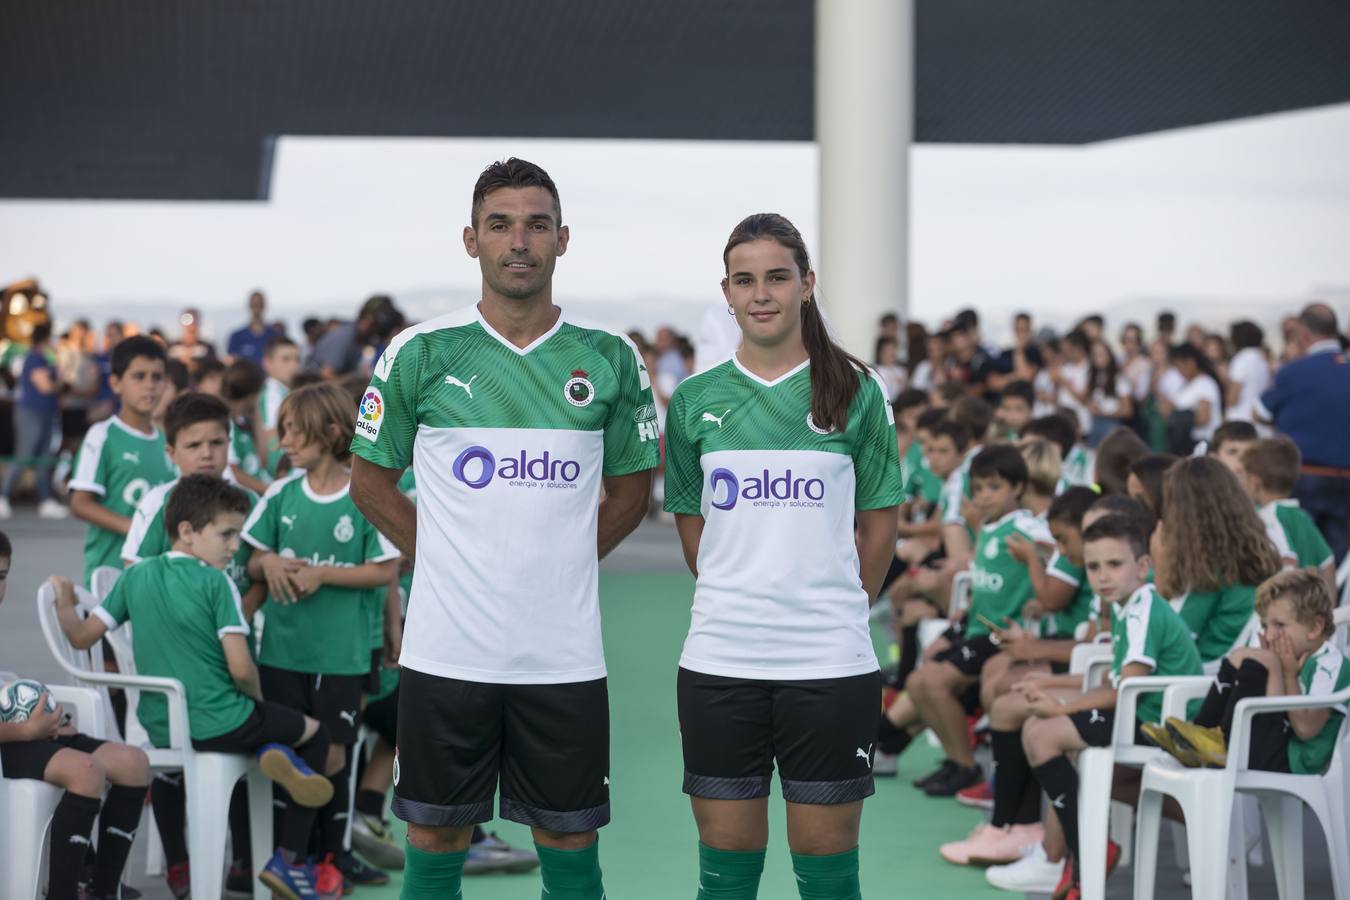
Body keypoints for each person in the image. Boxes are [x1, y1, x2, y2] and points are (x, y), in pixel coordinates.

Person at [347, 158, 657, 900]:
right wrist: (449, 563)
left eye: (536, 225)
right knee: (435, 834)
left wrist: (558, 567)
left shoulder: (608, 356)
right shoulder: (421, 351)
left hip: (563, 653)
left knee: (570, 836)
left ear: (562, 239)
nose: (519, 240)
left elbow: (631, 492)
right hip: (447, 647)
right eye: (501, 224)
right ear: (471, 239)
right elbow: (369, 481)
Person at [659, 212, 901, 900]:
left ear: (806, 285)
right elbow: (692, 530)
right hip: (719, 663)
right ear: (727, 293)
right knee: (726, 875)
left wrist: (836, 608)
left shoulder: (858, 390)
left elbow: (879, 531)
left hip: (829, 663)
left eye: (776, 276)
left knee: (827, 875)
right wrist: (744, 591)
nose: (760, 293)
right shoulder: (696, 402)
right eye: (745, 280)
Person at [54, 476, 339, 900]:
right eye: (226, 534)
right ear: (186, 531)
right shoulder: (216, 582)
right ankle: (290, 860)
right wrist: (258, 702)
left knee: (271, 730)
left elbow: (80, 638)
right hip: (221, 722)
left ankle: (269, 749)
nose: (234, 546)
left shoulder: (135, 578)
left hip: (164, 726)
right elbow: (241, 668)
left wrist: (62, 600)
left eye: (238, 536)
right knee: (318, 735)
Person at [243, 383, 400, 889]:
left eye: (294, 431)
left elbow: (384, 570)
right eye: (282, 429)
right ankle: (303, 858)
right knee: (295, 755)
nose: (283, 441)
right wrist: (266, 562)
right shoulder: (279, 494)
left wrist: (324, 575)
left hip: (344, 655)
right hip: (283, 652)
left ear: (331, 432)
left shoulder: (366, 495)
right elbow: (250, 560)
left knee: (335, 754)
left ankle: (327, 855)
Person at [1019, 515, 1202, 899]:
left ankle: (1087, 855)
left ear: (1142, 566)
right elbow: (1116, 681)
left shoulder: (1142, 610)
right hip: (1142, 711)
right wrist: (1054, 691)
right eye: (1093, 567)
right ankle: (1092, 850)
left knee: (1044, 736)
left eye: (1114, 565)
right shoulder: (1125, 605)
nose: (1102, 576)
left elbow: (1126, 688)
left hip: (1163, 722)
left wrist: (1060, 709)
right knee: (1042, 733)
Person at [879, 446, 1051, 797]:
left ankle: (965, 766)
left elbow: (1058, 556)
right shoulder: (990, 526)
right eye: (979, 488)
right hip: (975, 627)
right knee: (922, 679)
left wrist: (1039, 587)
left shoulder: (1026, 526)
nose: (984, 496)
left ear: (1017, 488)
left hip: (1003, 634)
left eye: (994, 487)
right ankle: (950, 760)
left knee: (930, 681)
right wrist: (962, 614)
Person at [0, 530, 152, 900]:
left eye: (2, 576)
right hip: (8, 743)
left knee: (133, 762)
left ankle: (101, 888)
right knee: (86, 772)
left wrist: (45, 715)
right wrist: (26, 731)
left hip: (17, 732)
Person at [1148, 568, 1349, 773]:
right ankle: (1200, 734)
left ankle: (1222, 741)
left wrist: (1286, 674)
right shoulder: (1294, 658)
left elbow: (1306, 729)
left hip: (1295, 763)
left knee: (1264, 659)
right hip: (1274, 749)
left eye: (1279, 625)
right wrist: (1275, 669)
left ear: (1315, 628)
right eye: (1265, 626)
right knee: (1242, 655)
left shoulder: (1329, 663)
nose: (1269, 636)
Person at [68, 336, 175, 586]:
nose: (149, 385)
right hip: (111, 573)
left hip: (156, 576)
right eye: (139, 376)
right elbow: (80, 503)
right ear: (116, 383)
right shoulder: (102, 436)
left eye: (157, 377)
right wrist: (137, 527)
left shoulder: (168, 441)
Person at [1154, 457, 1281, 666]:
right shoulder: (1254, 555)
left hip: (1197, 677)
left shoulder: (1209, 571)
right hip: (1226, 668)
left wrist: (1161, 568)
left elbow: (1163, 643)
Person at [1257, 303, 1350, 564]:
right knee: (1337, 555)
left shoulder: (1294, 371)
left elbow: (1260, 412)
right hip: (1346, 477)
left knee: (1302, 551)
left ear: (1304, 334)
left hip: (1306, 474)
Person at [1242, 437, 1336, 599]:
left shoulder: (1265, 518)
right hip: (1309, 615)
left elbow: (1287, 567)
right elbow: (1328, 565)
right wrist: (1328, 612)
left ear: (1255, 482)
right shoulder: (1302, 517)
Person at [0, 321, 68, 519]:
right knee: (24, 454)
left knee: (44, 457)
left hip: (47, 413)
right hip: (30, 412)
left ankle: (45, 499)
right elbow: (46, 386)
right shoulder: (34, 358)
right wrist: (59, 382)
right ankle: (3, 497)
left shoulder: (48, 359)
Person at [1159, 343, 1223, 454]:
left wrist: (1178, 417)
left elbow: (1204, 417)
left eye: (1179, 366)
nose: (1178, 371)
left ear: (1191, 362)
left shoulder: (1204, 383)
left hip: (1202, 443)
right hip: (1186, 443)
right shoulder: (1186, 385)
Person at [259, 335, 302, 474]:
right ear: (267, 363)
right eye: (286, 359)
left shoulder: (285, 392)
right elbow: (272, 437)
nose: (293, 365)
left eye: (297, 359)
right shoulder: (273, 394)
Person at [1084, 338, 1132, 448]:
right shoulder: (1093, 376)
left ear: (1109, 355)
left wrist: (1104, 413)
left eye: (1102, 354)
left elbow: (1127, 410)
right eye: (1095, 355)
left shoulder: (1119, 378)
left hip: (1111, 425)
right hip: (1094, 423)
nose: (1098, 358)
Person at [1224, 320, 1270, 427]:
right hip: (1258, 420)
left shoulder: (1241, 359)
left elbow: (1232, 399)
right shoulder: (1262, 359)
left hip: (1241, 421)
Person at [226, 291, 281, 366]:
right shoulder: (237, 336)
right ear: (249, 305)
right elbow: (230, 361)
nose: (257, 308)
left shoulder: (274, 336)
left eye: (259, 304)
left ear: (264, 306)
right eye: (254, 304)